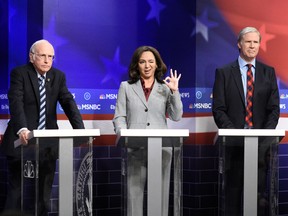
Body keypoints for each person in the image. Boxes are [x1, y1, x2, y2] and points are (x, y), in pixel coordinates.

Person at [0, 39, 85, 216]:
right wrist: (23, 129)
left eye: (51, 57)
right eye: (43, 56)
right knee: (16, 192)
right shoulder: (20, 74)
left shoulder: (58, 76)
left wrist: (81, 131)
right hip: (20, 142)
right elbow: (16, 102)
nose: (47, 60)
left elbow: (68, 102)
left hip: (47, 145)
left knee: (44, 196)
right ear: (32, 57)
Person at [212, 27, 280, 216]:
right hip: (233, 148)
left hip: (260, 149)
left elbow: (273, 110)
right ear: (239, 44)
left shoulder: (269, 72)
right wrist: (237, 136)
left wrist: (263, 139)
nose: (252, 46)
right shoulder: (224, 72)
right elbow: (218, 109)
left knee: (257, 198)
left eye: (255, 42)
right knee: (232, 197)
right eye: (248, 42)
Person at [113, 46, 183, 216]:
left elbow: (176, 115)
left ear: (157, 65)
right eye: (143, 61)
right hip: (135, 149)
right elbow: (119, 117)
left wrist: (174, 91)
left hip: (161, 151)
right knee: (134, 198)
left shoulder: (165, 88)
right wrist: (125, 135)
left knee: (160, 199)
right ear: (137, 65)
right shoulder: (126, 87)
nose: (147, 65)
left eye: (151, 62)